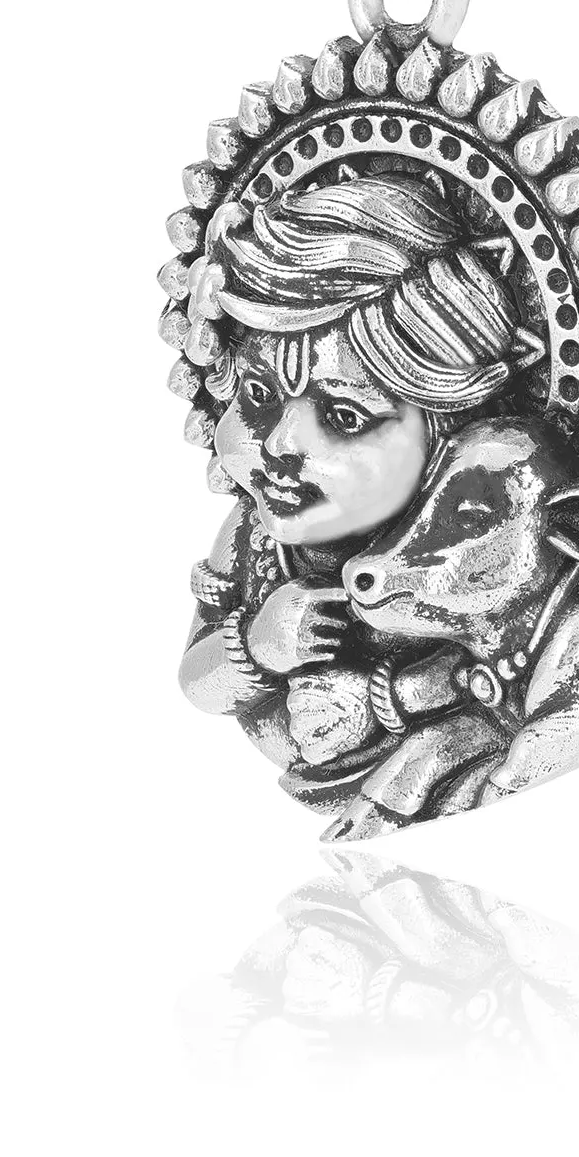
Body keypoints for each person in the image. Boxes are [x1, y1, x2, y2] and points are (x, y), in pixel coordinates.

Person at [176, 169, 525, 819]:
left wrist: (391, 696)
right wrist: (258, 646)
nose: (279, 443)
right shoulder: (253, 536)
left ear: (446, 431)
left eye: (343, 416)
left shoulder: (472, 548)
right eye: (257, 395)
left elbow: (510, 675)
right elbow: (196, 683)